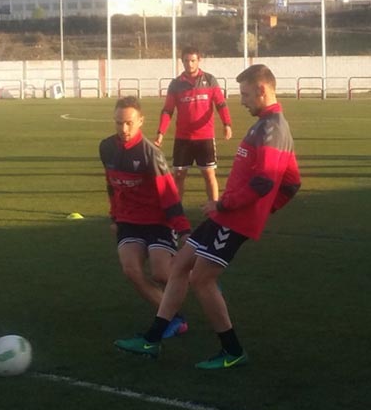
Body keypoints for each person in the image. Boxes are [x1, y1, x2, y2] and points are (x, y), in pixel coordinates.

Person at [115, 64, 301, 369]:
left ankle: (232, 351)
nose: (241, 101)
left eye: (244, 94)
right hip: (228, 215)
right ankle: (152, 339)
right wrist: (260, 208)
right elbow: (292, 182)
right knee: (180, 266)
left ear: (262, 90)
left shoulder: (272, 128)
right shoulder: (266, 125)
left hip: (233, 218)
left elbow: (265, 181)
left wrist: (231, 206)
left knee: (201, 279)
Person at [101, 96, 192, 338]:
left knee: (161, 274)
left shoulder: (151, 154)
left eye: (129, 123)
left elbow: (169, 195)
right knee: (131, 270)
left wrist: (182, 229)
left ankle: (196, 277)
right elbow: (112, 185)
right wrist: (114, 216)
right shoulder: (106, 148)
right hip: (128, 222)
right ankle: (173, 318)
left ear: (141, 121)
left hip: (158, 222)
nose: (123, 129)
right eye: (119, 123)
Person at [155, 47, 233, 202]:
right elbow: (167, 110)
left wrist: (227, 124)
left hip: (205, 137)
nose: (189, 64)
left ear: (199, 61)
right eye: (186, 61)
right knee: (178, 176)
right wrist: (161, 132)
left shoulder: (210, 80)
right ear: (182, 61)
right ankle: (177, 211)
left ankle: (214, 209)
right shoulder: (176, 84)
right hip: (183, 138)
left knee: (209, 175)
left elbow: (221, 104)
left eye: (193, 60)